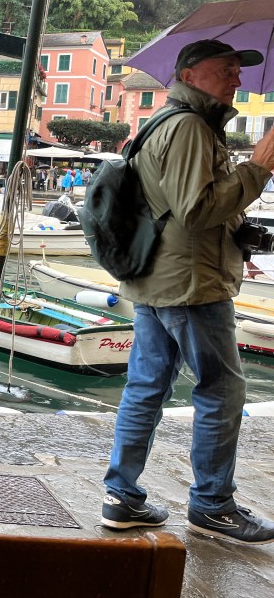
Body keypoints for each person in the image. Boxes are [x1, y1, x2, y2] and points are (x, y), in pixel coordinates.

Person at [101, 39, 274, 545]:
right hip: (192, 285)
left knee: (146, 387)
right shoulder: (191, 127)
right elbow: (197, 211)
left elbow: (182, 209)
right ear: (190, 74)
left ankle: (121, 496)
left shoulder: (169, 122)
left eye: (238, 71)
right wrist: (259, 166)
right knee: (221, 391)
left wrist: (237, 233)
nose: (237, 79)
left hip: (159, 277)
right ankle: (213, 505)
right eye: (226, 69)